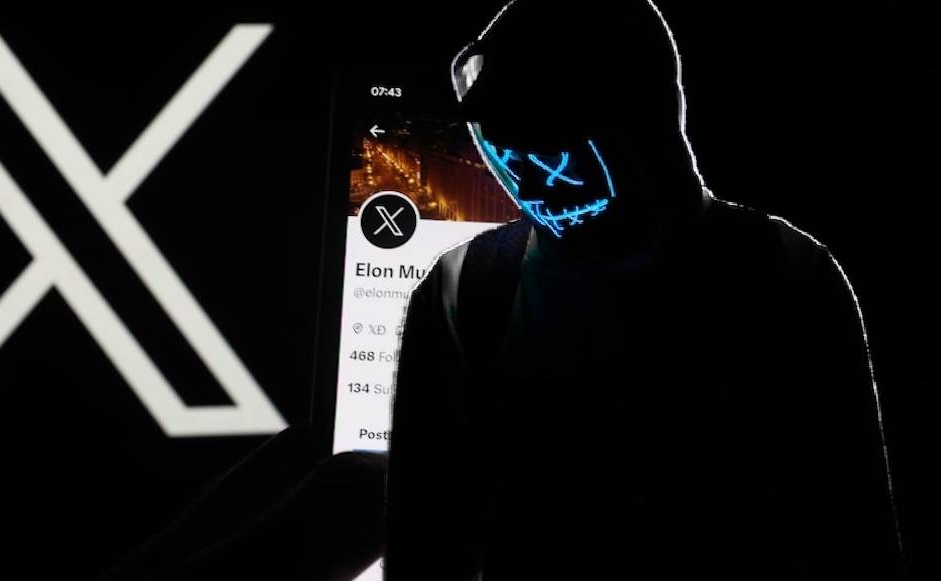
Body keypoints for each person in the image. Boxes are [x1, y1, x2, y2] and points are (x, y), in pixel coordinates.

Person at [383, 1, 903, 579]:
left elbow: (851, 522)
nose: (527, 173)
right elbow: (425, 532)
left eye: (546, 138)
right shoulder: (463, 289)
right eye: (506, 143)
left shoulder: (786, 273)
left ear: (640, 124)